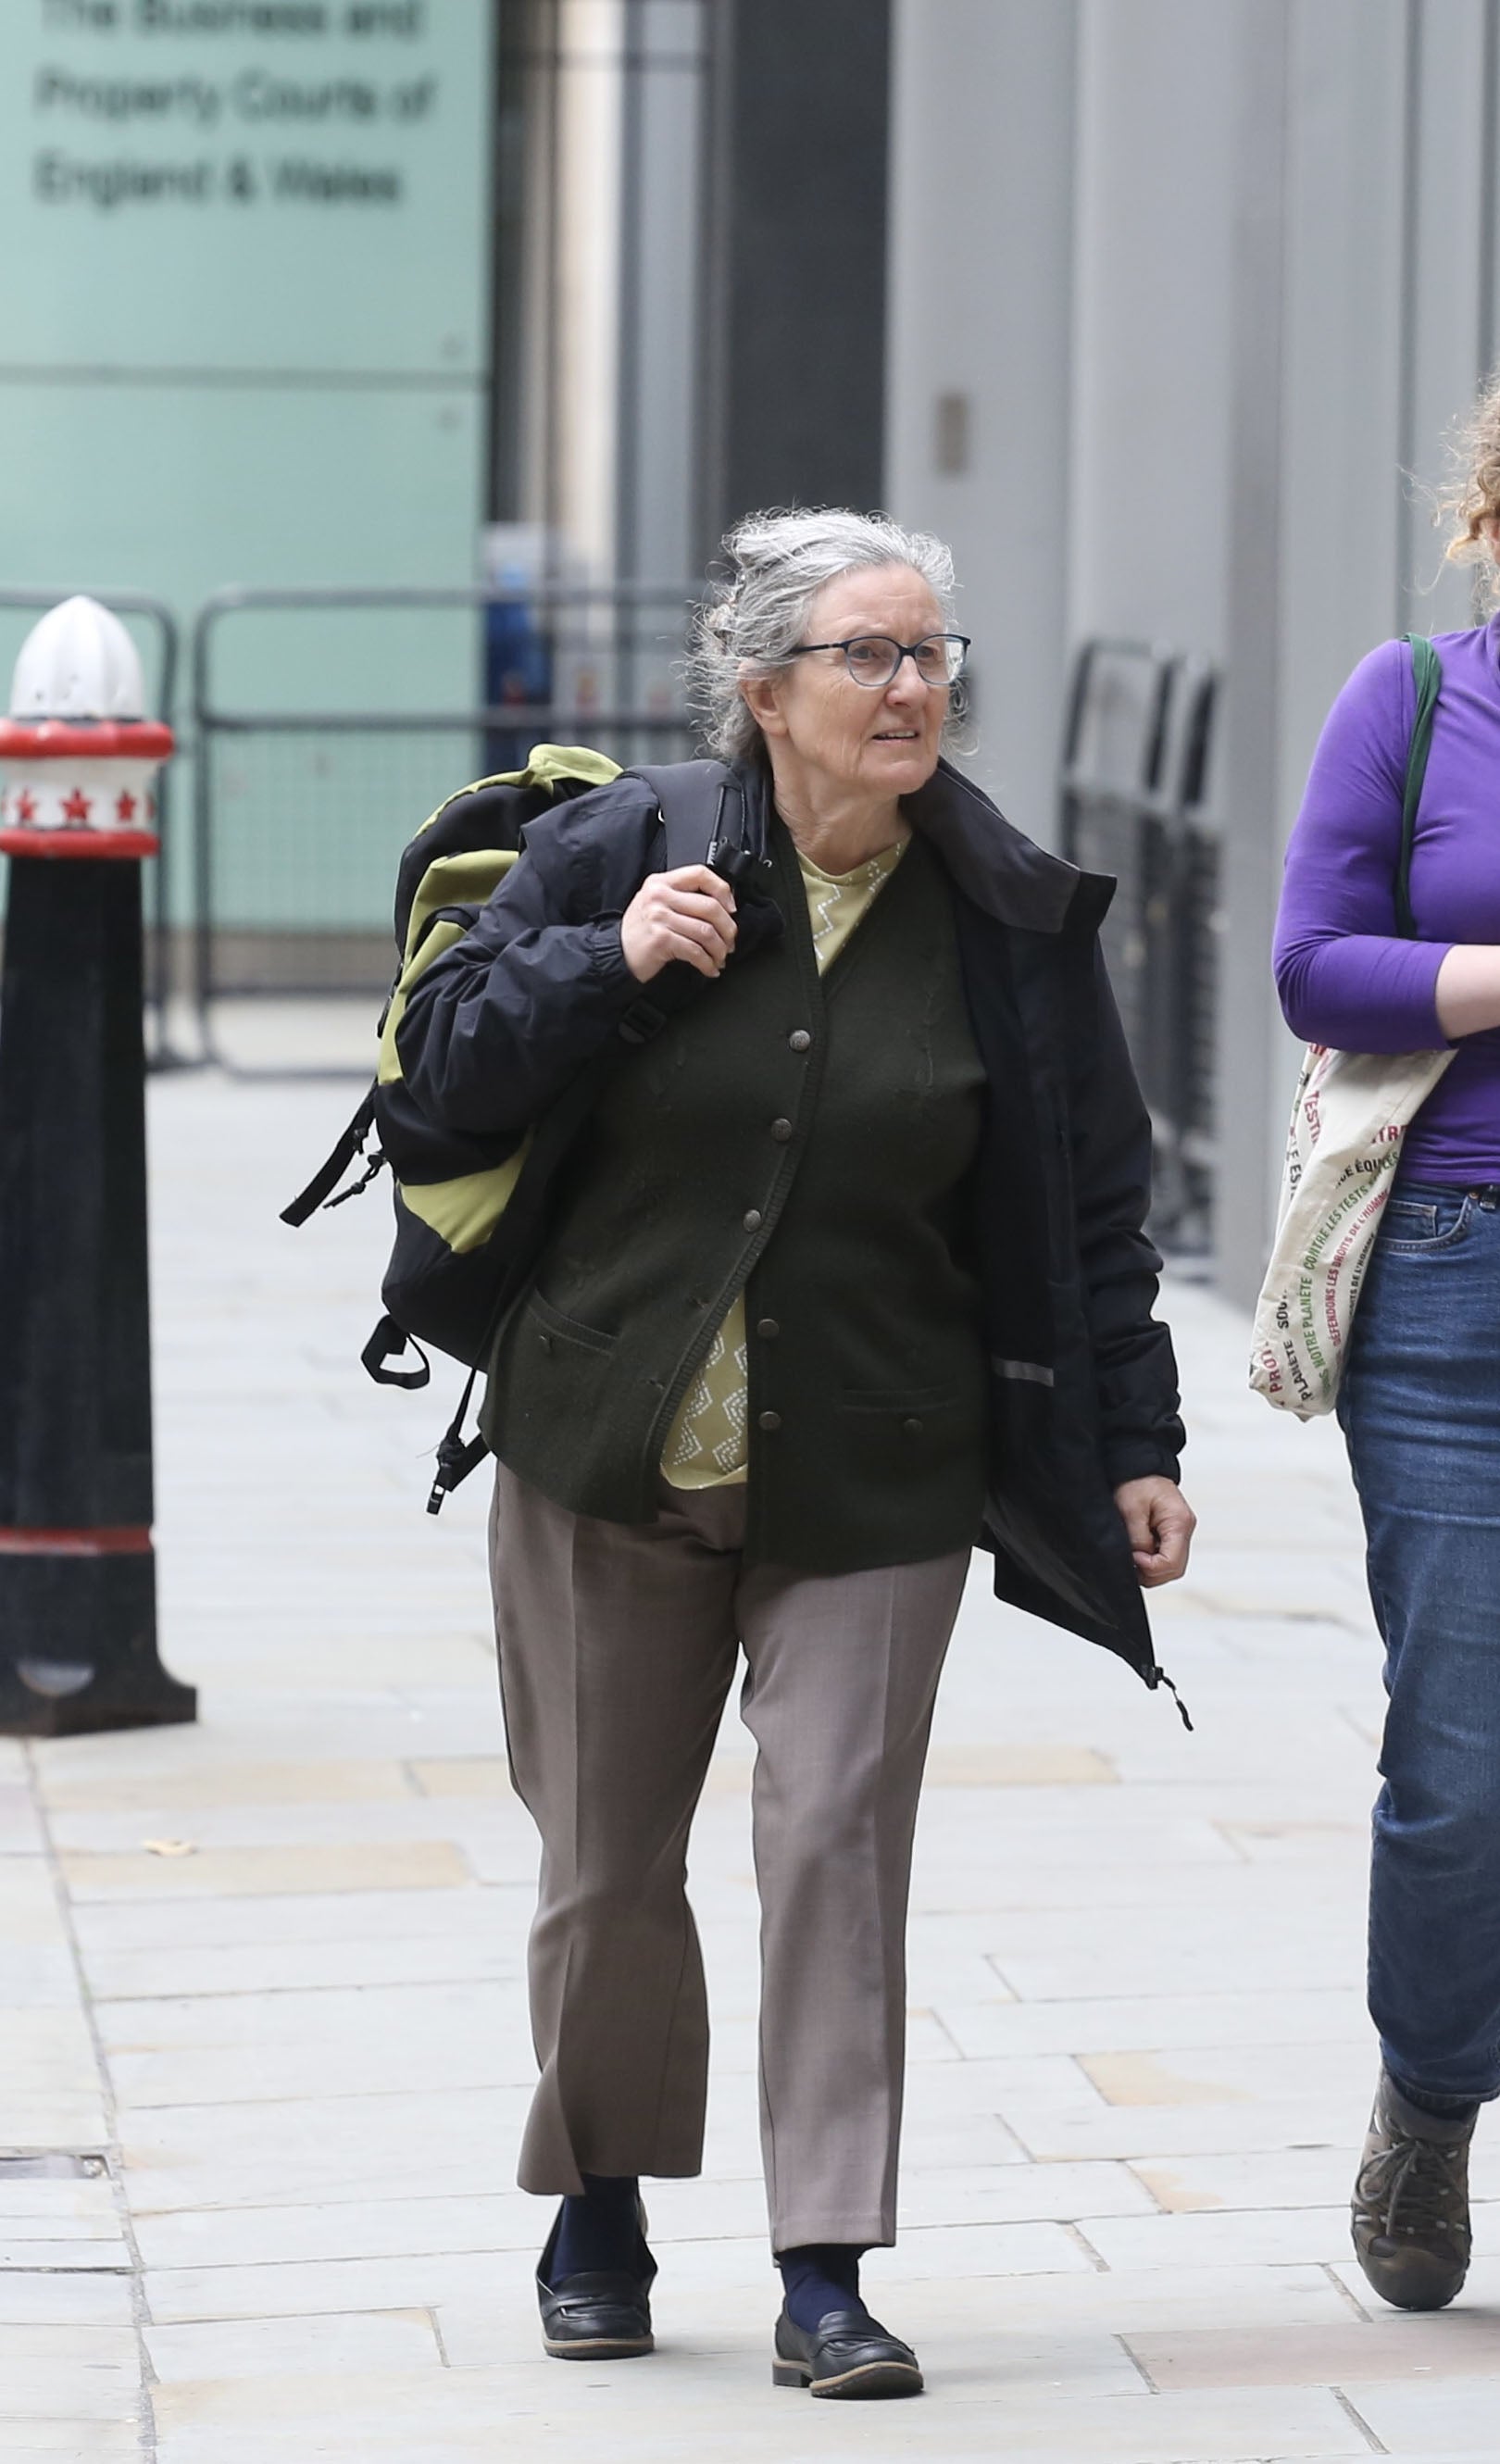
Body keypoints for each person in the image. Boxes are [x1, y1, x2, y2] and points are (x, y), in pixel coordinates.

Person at [397, 507, 1194, 2397]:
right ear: (765, 690)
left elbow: (1093, 1202)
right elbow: (438, 1072)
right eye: (874, 656)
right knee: (603, 1862)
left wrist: (1139, 1439)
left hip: (879, 1462)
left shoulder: (1006, 914)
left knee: (835, 1838)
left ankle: (824, 2260)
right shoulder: (625, 847)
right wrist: (607, 961)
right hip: (611, 1441)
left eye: (932, 655)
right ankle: (598, 2192)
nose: (917, 687)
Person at [1274, 379, 1500, 2312]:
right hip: (1458, 1272)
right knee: (1465, 1753)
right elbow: (1313, 959)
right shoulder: (1415, 700)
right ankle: (1432, 2093)